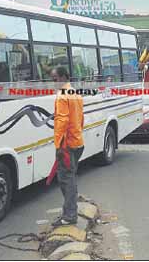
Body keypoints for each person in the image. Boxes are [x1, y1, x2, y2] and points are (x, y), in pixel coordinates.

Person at [50, 66, 85, 227]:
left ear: (64, 77)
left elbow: (62, 121)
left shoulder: (62, 96)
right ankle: (69, 212)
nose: (53, 83)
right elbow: (80, 119)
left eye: (55, 79)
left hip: (67, 145)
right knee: (69, 177)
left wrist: (59, 145)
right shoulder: (75, 93)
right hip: (77, 142)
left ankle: (70, 215)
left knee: (66, 179)